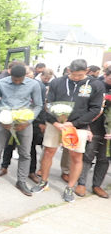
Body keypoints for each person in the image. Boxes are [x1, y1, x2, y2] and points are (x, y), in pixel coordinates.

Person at [32, 59, 105, 203]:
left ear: (87, 71)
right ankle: (43, 181)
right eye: (73, 74)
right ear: (68, 70)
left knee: (76, 157)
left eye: (80, 74)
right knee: (48, 152)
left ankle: (70, 187)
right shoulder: (57, 82)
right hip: (55, 124)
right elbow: (48, 104)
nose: (76, 77)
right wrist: (54, 122)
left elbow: (95, 109)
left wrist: (74, 123)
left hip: (78, 126)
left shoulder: (96, 85)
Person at [0, 65, 42, 196]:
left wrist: (28, 122)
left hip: (24, 123)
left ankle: (21, 181)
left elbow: (38, 105)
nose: (16, 82)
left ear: (25, 76)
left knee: (25, 153)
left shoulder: (33, 85)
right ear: (10, 75)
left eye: (19, 80)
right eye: (14, 79)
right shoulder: (1, 83)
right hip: (4, 122)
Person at [0, 66, 46, 184]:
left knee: (29, 149)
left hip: (29, 121)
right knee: (9, 145)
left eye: (30, 76)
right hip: (12, 119)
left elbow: (41, 105)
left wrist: (41, 121)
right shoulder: (8, 84)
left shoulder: (38, 86)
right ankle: (4, 166)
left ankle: (31, 172)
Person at [75, 65, 111, 199]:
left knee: (104, 159)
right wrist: (86, 127)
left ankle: (97, 185)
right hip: (93, 128)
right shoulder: (95, 86)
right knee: (87, 156)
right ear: (106, 75)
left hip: (108, 133)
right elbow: (85, 108)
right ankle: (81, 183)